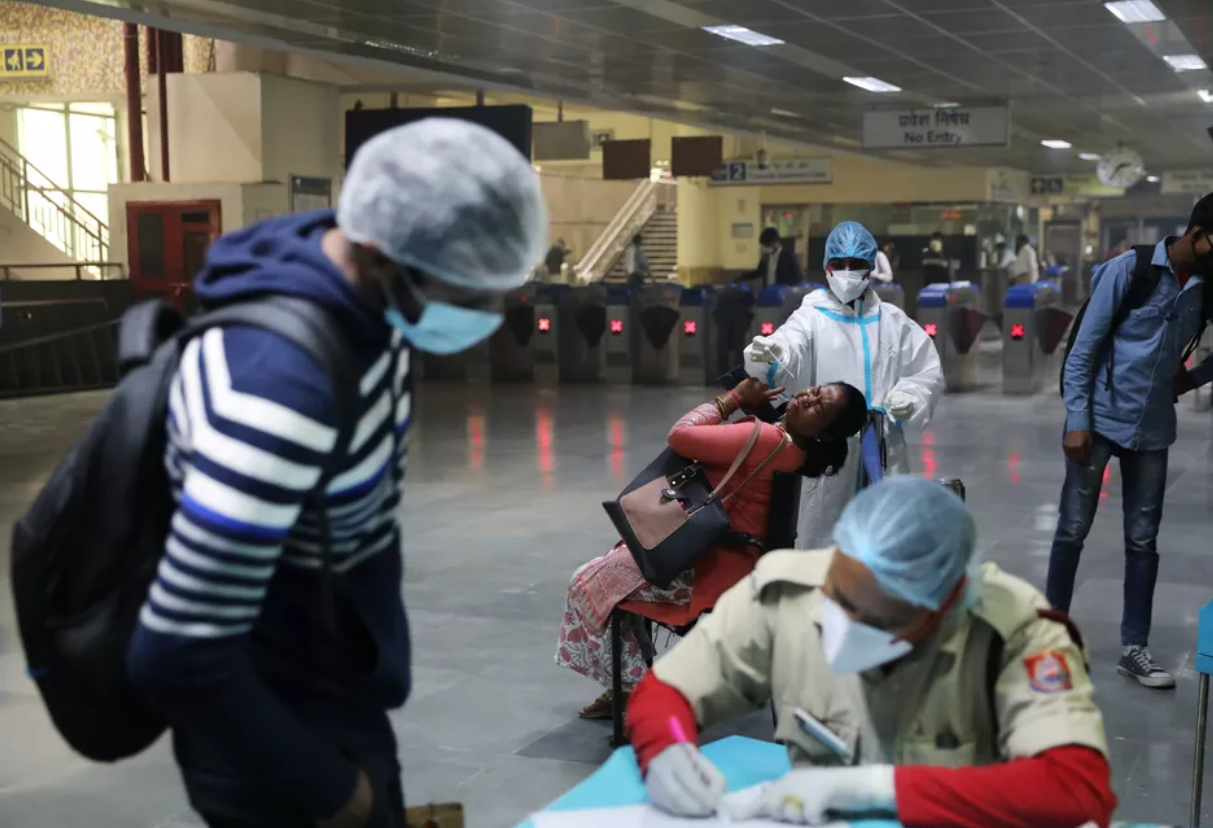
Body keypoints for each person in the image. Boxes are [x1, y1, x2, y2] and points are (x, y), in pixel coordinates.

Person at [125, 119, 548, 828]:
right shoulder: (279, 392)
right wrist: (325, 789)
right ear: (383, 254)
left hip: (333, 679)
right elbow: (177, 648)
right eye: (473, 296)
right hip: (273, 737)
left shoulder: (363, 292)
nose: (491, 315)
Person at [625, 476, 1116, 828]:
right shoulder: (789, 592)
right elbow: (667, 691)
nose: (845, 625)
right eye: (839, 598)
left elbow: (1075, 787)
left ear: (944, 606)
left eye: (879, 619)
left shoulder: (1015, 633)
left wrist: (874, 789)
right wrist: (666, 745)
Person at [556, 377, 866, 719]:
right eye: (815, 391)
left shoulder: (765, 437)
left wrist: (731, 400)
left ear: (824, 433)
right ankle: (629, 685)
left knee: (587, 582)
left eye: (819, 407)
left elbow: (680, 437)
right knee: (613, 570)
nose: (808, 399)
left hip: (704, 566)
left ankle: (634, 691)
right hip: (733, 558)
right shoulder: (792, 447)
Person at [1050, 189, 1213, 690]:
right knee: (1072, 530)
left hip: (1154, 428)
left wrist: (1191, 378)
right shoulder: (1130, 270)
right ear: (1197, 233)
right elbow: (1084, 347)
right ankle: (1048, 642)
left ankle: (1134, 649)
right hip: (1099, 419)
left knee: (1143, 540)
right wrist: (1077, 418)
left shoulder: (1212, 287)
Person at [744, 221, 944, 548]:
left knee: (885, 537)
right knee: (823, 537)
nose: (847, 273)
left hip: (881, 445)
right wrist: (773, 354)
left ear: (870, 268)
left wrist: (911, 395)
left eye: (857, 265)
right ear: (826, 267)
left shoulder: (892, 321)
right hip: (828, 446)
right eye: (839, 265)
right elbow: (790, 344)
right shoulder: (811, 316)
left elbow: (926, 368)